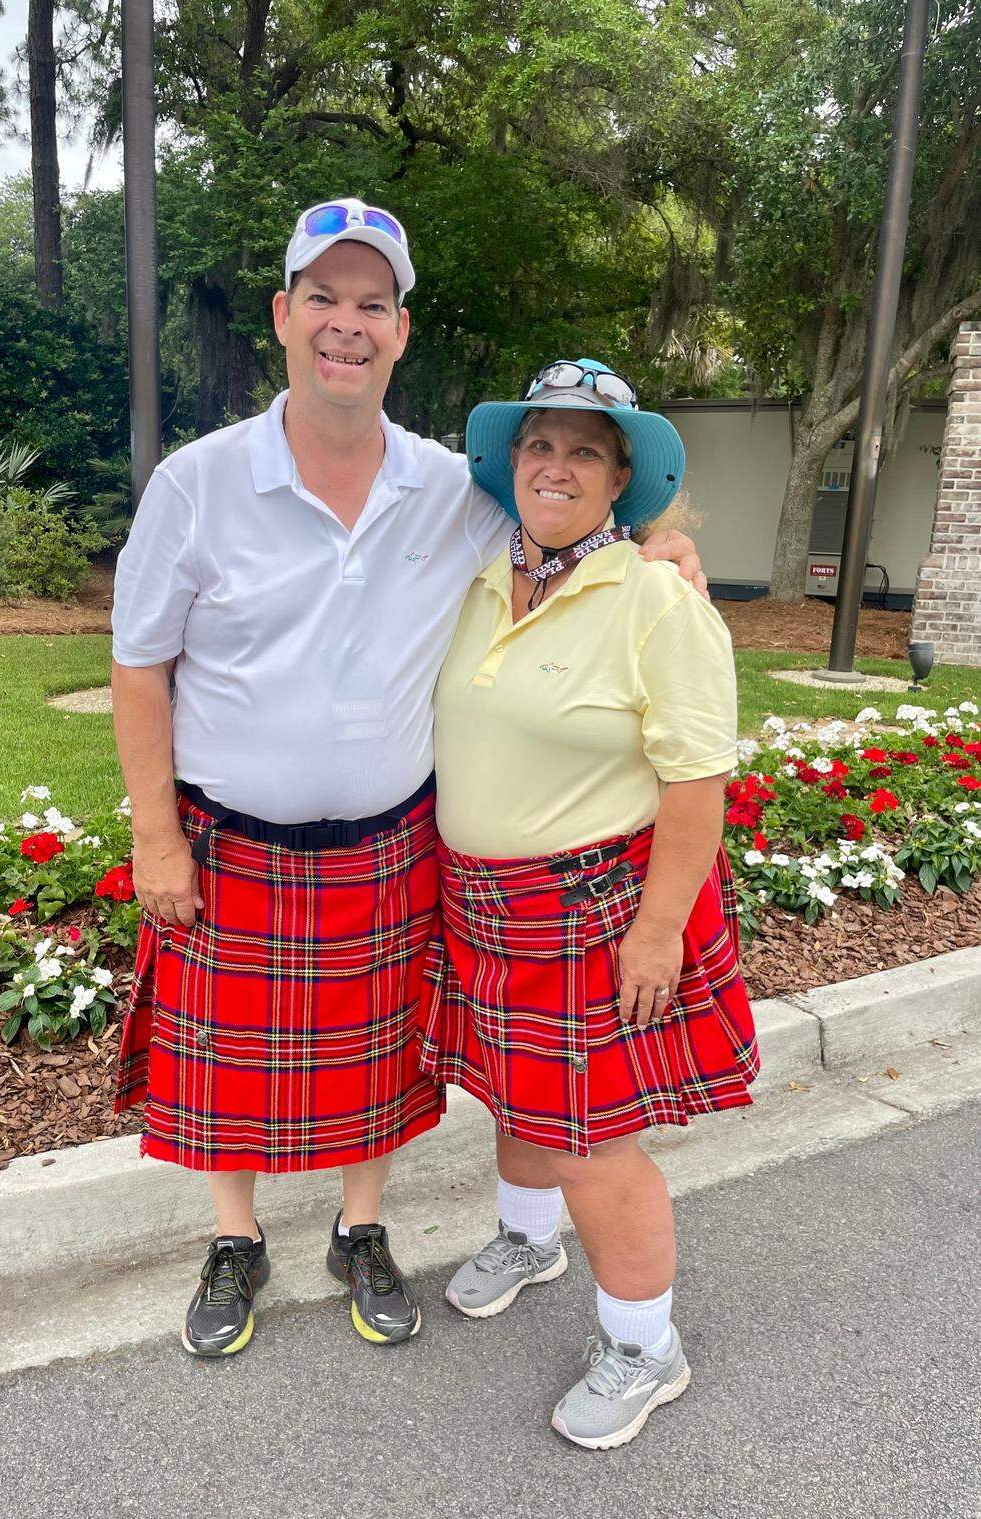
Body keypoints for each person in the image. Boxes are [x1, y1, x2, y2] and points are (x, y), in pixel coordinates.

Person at [110, 203, 707, 1358]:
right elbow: (140, 666)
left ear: (400, 331)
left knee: (374, 1049)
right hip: (226, 833)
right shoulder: (196, 483)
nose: (347, 324)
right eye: (323, 299)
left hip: (390, 838)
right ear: (285, 317)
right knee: (228, 1068)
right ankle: (234, 1238)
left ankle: (361, 1225)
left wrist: (667, 549)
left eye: (372, 305)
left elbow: (572, 522)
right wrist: (155, 833)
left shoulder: (453, 488)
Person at [420, 358, 758, 1448]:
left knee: (593, 1139)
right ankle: (529, 1239)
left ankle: (644, 1344)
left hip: (591, 909)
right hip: (478, 899)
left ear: (623, 478)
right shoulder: (481, 572)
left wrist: (659, 929)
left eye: (584, 449)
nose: (555, 464)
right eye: (539, 444)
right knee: (518, 1098)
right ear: (510, 463)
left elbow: (697, 781)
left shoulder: (657, 596)